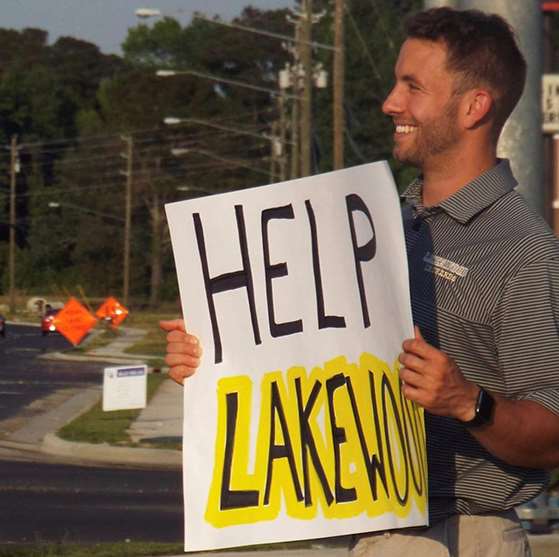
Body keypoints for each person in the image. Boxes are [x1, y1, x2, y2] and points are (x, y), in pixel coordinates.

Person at [161, 7, 559, 557]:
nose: (390, 103)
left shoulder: (525, 250)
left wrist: (470, 402)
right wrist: (209, 361)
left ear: (474, 106)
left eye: (412, 87)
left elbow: (552, 432)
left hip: (458, 535)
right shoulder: (375, 223)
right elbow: (305, 360)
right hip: (362, 530)